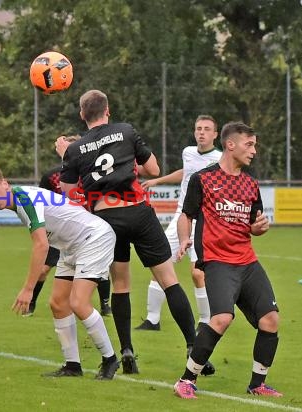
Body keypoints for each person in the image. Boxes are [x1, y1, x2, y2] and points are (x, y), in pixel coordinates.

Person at [59, 89, 197, 375]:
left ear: (82, 115)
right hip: (137, 210)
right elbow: (153, 168)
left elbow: (70, 193)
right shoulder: (125, 131)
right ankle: (194, 347)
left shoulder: (74, 149)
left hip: (106, 219)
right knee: (169, 279)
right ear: (107, 110)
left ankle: (126, 350)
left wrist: (67, 157)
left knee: (120, 283)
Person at [0, 166, 120, 380]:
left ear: (5, 183)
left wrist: (28, 289)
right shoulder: (19, 200)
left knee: (78, 303)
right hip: (71, 246)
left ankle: (110, 359)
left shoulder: (23, 198)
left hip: (94, 238)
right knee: (58, 303)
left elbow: (41, 245)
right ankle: (72, 366)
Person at [173, 122, 282, 399]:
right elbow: (186, 214)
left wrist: (260, 227)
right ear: (231, 144)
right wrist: (185, 238)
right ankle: (186, 380)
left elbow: (253, 225)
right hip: (218, 261)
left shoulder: (250, 184)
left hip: (247, 261)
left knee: (270, 320)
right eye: (250, 144)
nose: (254, 151)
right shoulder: (203, 179)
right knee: (221, 318)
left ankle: (257, 384)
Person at [136, 115, 222, 335]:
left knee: (197, 274)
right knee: (160, 263)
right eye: (198, 128)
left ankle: (204, 321)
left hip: (205, 220)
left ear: (215, 134)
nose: (201, 132)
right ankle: (152, 319)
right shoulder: (188, 152)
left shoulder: (220, 159)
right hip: (180, 217)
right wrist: (158, 180)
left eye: (206, 129)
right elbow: (186, 173)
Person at [26, 135, 112, 317]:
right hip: (59, 231)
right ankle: (31, 301)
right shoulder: (52, 176)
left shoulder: (93, 174)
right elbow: (41, 203)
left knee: (102, 271)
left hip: (87, 231)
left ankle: (105, 305)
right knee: (43, 269)